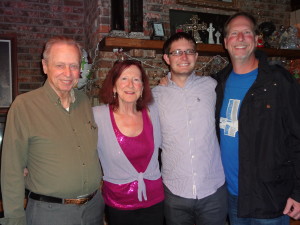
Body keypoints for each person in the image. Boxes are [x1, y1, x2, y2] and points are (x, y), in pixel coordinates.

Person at [1, 36, 104, 225]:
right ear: (45, 66)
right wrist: (14, 219)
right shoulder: (24, 106)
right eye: (60, 65)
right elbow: (11, 169)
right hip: (50, 214)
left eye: (73, 66)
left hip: (93, 209)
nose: (68, 73)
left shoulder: (84, 102)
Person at [214, 12, 300, 224]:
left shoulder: (278, 81)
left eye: (247, 32)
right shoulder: (218, 84)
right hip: (233, 198)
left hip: (271, 199)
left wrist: (298, 192)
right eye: (234, 33)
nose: (241, 38)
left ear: (256, 39)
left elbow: (297, 137)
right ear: (225, 42)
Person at [152, 32, 227, 225]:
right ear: (167, 58)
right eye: (177, 52)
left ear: (196, 56)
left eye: (189, 51)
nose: (184, 57)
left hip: (213, 191)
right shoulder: (155, 95)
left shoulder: (212, 86)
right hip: (174, 192)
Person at [93, 60, 164, 225]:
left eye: (136, 79)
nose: (131, 84)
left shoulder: (153, 111)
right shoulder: (98, 116)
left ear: (142, 87)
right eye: (124, 78)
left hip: (154, 200)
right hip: (118, 202)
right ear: (114, 86)